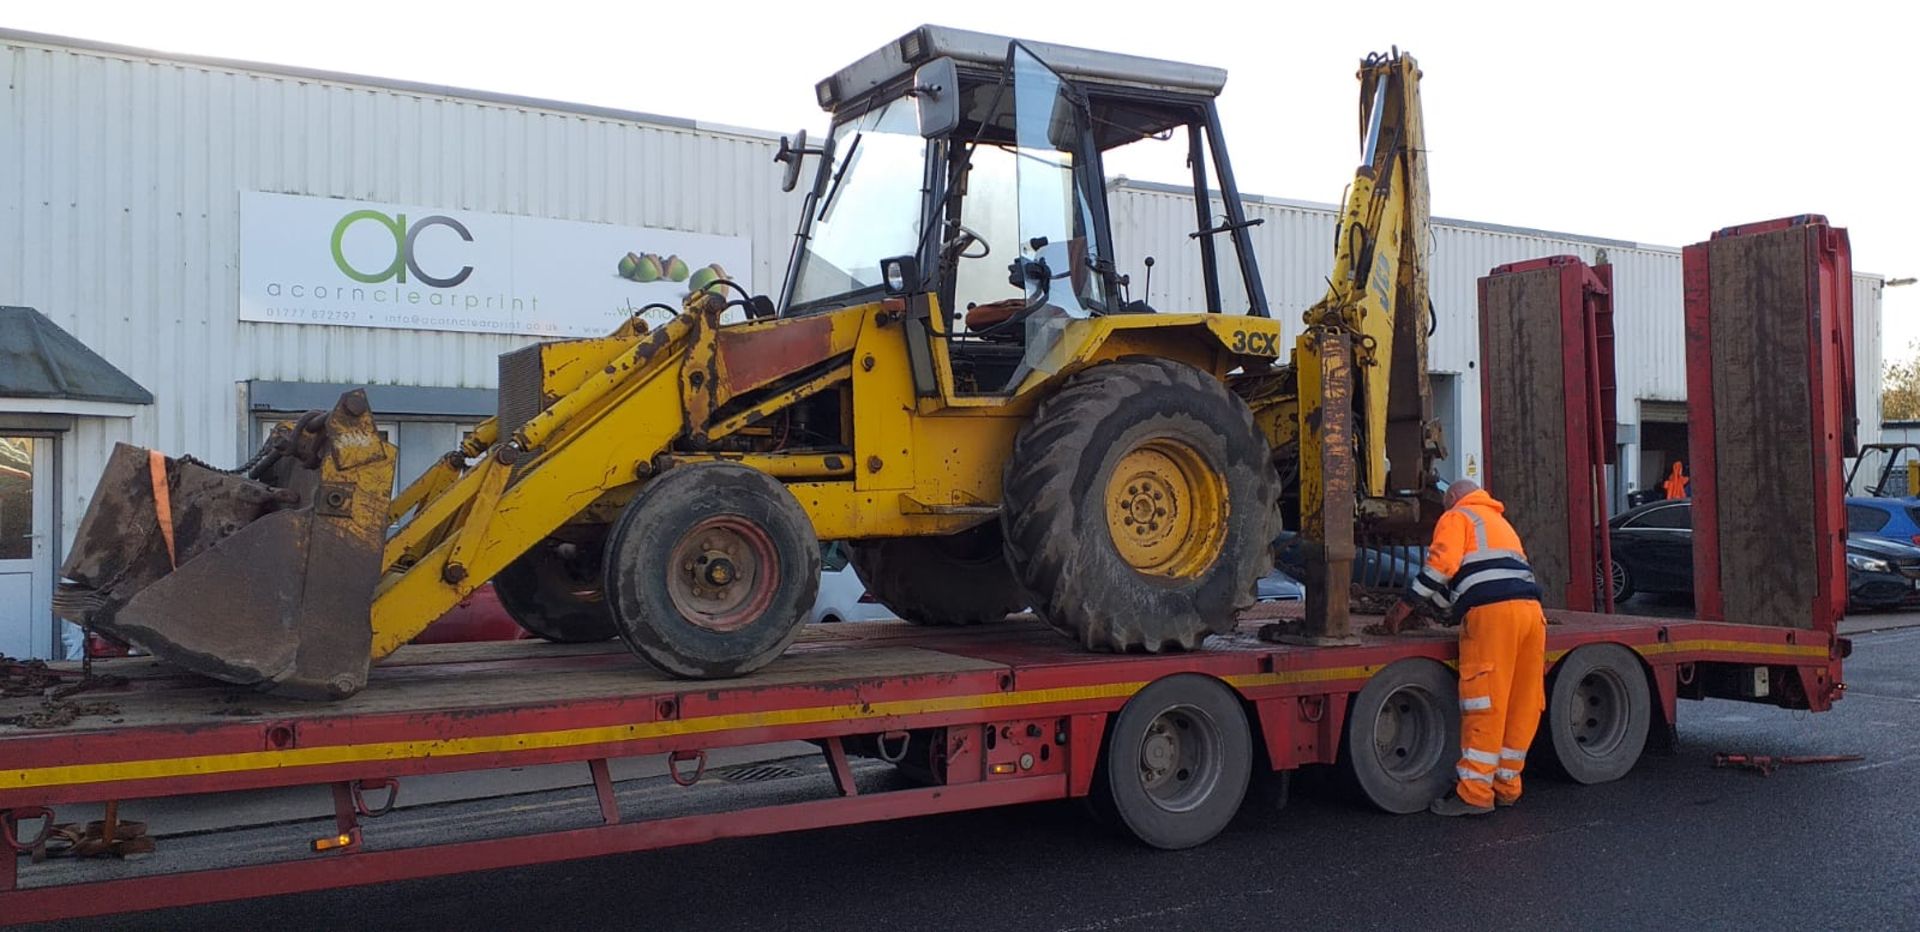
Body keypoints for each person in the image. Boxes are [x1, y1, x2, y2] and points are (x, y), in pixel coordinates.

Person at [1381, 478, 1547, 817]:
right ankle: (1507, 786)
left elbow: (1441, 566)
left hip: (1492, 616)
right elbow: (1470, 576)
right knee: (1522, 701)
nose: (1444, 511)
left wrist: (1405, 606)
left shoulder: (1458, 517)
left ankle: (1474, 794)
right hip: (1531, 615)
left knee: (1485, 701)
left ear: (1453, 498)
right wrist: (1442, 608)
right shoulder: (1499, 523)